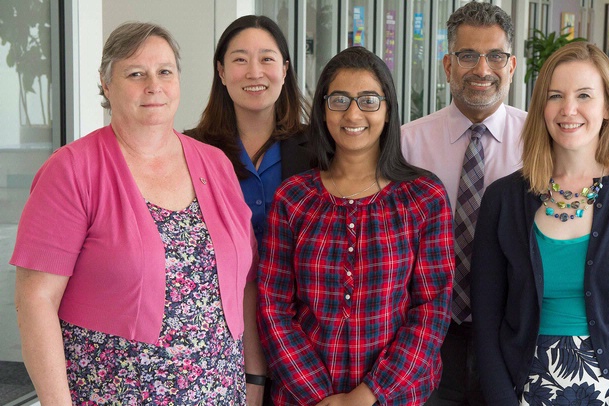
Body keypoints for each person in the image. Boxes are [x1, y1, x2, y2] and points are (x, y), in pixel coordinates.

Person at [11, 22, 264, 405]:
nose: (154, 85)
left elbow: (245, 283)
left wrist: (254, 380)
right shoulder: (72, 170)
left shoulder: (215, 164)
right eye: (135, 73)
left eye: (165, 71)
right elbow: (36, 299)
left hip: (220, 393)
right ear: (106, 84)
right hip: (111, 393)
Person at [470, 42, 609, 405]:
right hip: (520, 387)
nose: (568, 109)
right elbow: (486, 319)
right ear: (541, 107)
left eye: (584, 95)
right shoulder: (502, 199)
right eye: (555, 96)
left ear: (607, 107)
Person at [257, 46, 454, 406]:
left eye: (368, 100)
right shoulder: (294, 197)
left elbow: (432, 309)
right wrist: (321, 397)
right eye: (339, 100)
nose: (352, 113)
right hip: (306, 397)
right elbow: (273, 307)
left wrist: (366, 396)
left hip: (396, 395)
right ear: (322, 109)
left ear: (388, 108)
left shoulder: (423, 197)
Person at [400, 2, 526, 404]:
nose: (482, 70)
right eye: (468, 55)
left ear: (512, 65)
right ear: (447, 65)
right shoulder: (405, 145)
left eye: (495, 56)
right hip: (423, 332)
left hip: (512, 330)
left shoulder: (541, 143)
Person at [185, 15, 312, 250]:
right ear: (221, 71)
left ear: (284, 70)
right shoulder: (192, 149)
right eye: (240, 60)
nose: (254, 72)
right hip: (222, 287)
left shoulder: (319, 147)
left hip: (297, 287)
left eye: (266, 59)